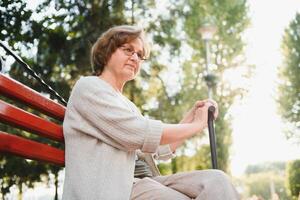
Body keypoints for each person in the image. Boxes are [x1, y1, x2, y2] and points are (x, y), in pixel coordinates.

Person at [62, 25, 240, 200]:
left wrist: (193, 116)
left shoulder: (127, 105)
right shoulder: (89, 87)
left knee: (217, 181)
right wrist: (196, 125)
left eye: (140, 55)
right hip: (115, 188)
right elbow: (139, 134)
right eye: (128, 50)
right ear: (107, 52)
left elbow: (156, 149)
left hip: (145, 182)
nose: (135, 58)